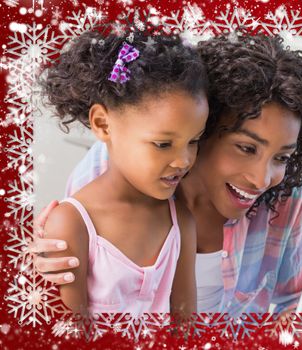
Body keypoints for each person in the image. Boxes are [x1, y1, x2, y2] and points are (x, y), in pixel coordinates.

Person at [33, 34, 302, 315]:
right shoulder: (110, 168)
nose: (262, 179)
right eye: (246, 148)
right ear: (208, 126)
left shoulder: (285, 196)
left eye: (282, 157)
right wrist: (42, 266)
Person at [38, 30, 209, 316]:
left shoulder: (181, 222)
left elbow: (185, 327)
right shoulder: (71, 225)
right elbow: (68, 334)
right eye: (162, 144)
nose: (183, 160)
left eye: (193, 141)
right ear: (103, 124)